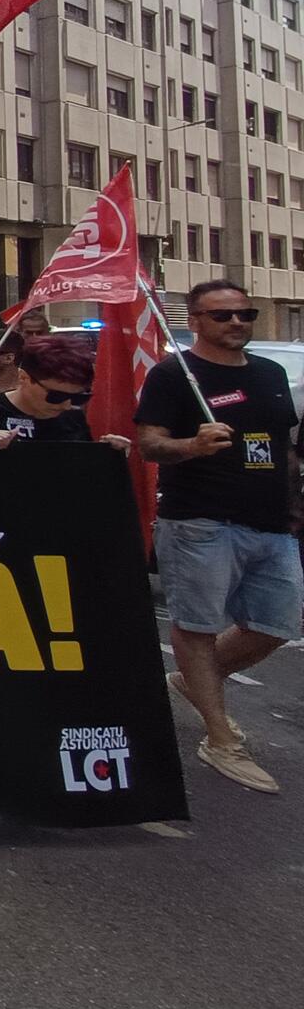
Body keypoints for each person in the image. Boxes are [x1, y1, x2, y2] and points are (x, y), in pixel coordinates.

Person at [135, 279, 302, 795]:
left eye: (245, 314)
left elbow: (284, 446)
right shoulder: (174, 375)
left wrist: (294, 501)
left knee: (278, 622)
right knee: (197, 626)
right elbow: (149, 445)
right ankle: (220, 735)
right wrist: (192, 444)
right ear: (197, 321)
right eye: (222, 315)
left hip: (273, 523)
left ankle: (193, 682)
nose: (236, 323)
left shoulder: (271, 373)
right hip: (201, 522)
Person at [0, 335, 128, 449]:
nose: (66, 404)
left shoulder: (71, 417)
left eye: (79, 397)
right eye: (56, 396)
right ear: (24, 378)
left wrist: (109, 454)